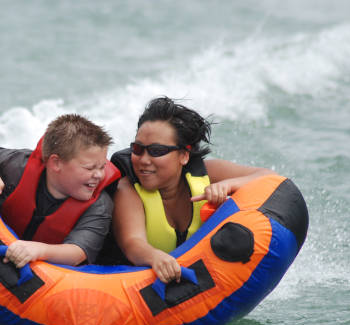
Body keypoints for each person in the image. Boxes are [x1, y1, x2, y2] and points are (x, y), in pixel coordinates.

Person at [111, 97, 275, 283]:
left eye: (156, 151)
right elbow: (133, 242)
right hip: (134, 282)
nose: (144, 160)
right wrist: (154, 256)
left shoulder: (209, 174)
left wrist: (228, 185)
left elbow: (270, 178)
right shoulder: (127, 189)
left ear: (183, 156)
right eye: (138, 149)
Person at [0, 114, 120, 268]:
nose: (99, 175)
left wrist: (39, 250)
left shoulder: (99, 205)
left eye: (102, 166)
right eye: (90, 167)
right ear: (56, 163)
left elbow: (78, 252)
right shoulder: (19, 167)